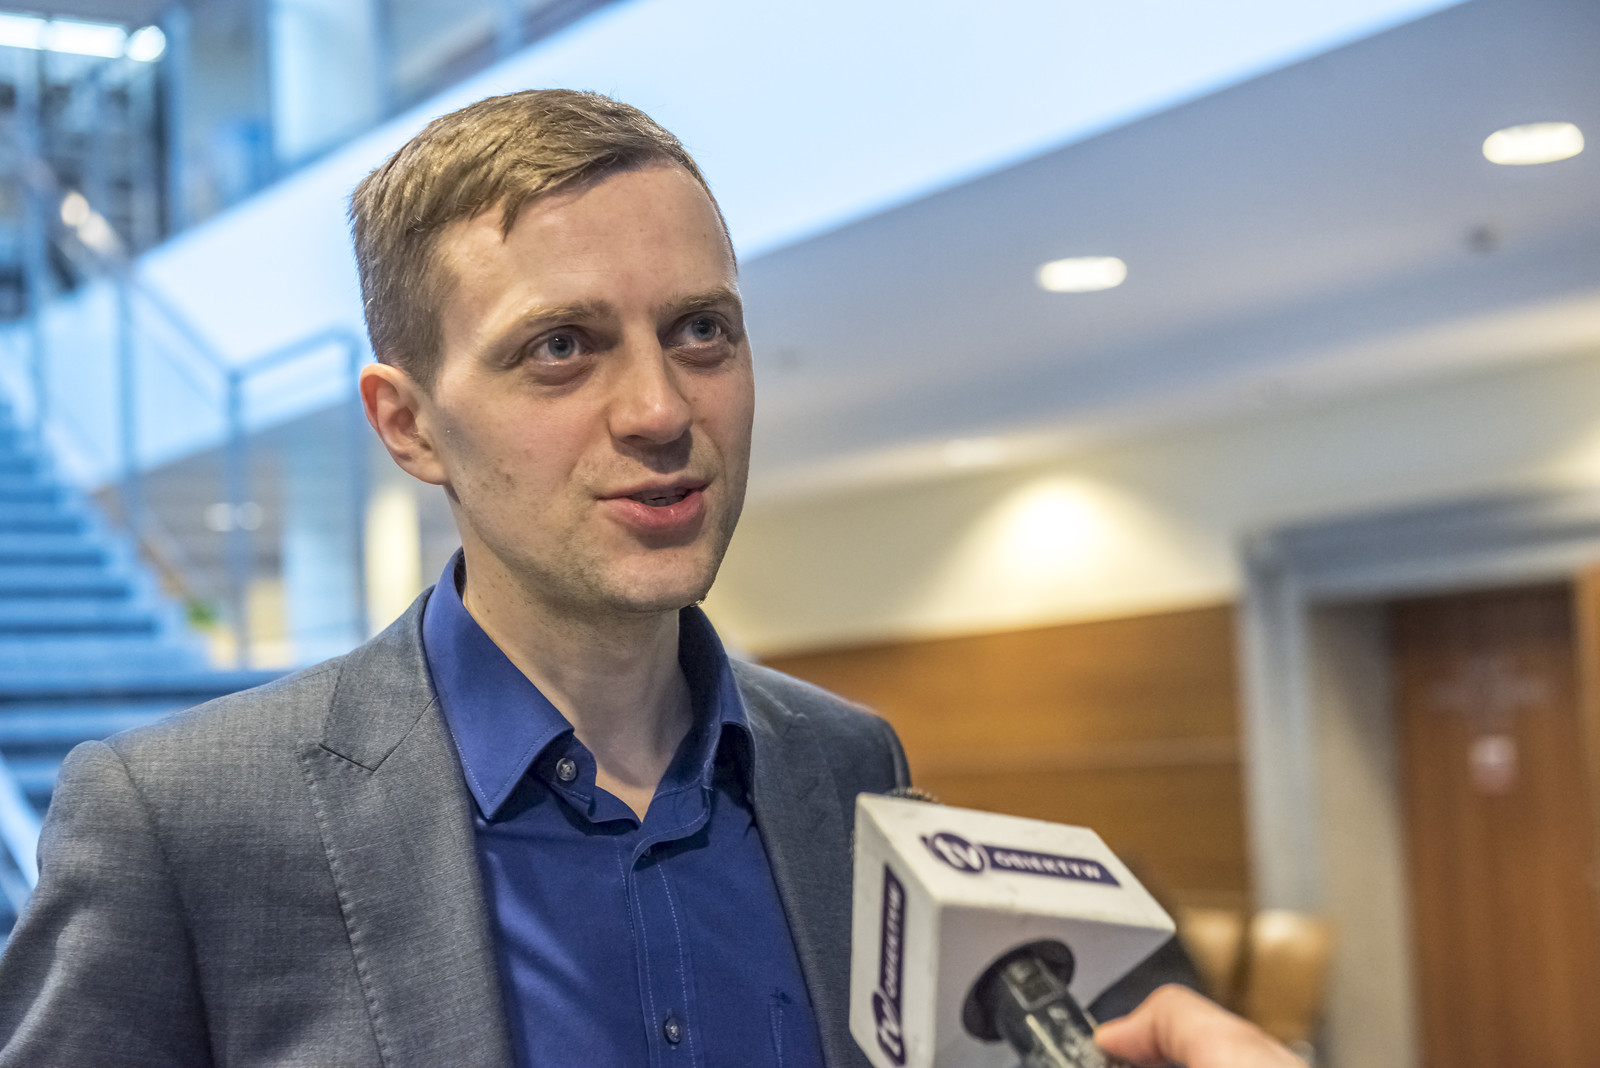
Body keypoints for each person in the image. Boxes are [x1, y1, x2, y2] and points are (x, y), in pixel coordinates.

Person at [0, 90, 1299, 1068]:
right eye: (561, 348)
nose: (662, 410)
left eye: (701, 331)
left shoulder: (848, 765)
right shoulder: (183, 827)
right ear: (408, 424)